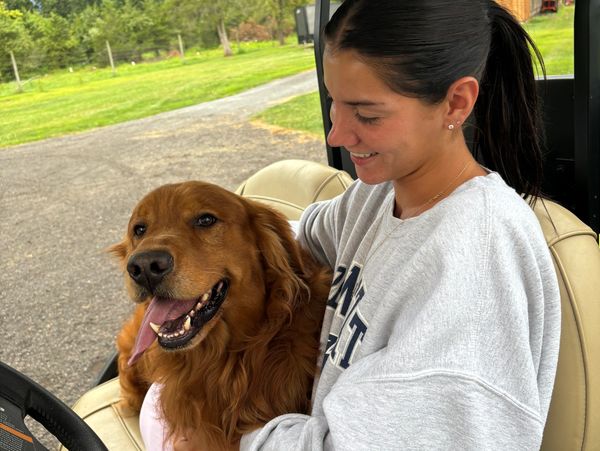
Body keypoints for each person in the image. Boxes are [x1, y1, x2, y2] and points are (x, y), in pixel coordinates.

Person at [172, 0, 561, 449]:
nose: (337, 135)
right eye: (333, 102)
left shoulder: (475, 265)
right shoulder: (380, 194)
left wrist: (227, 438)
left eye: (367, 115)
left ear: (456, 103)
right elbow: (304, 237)